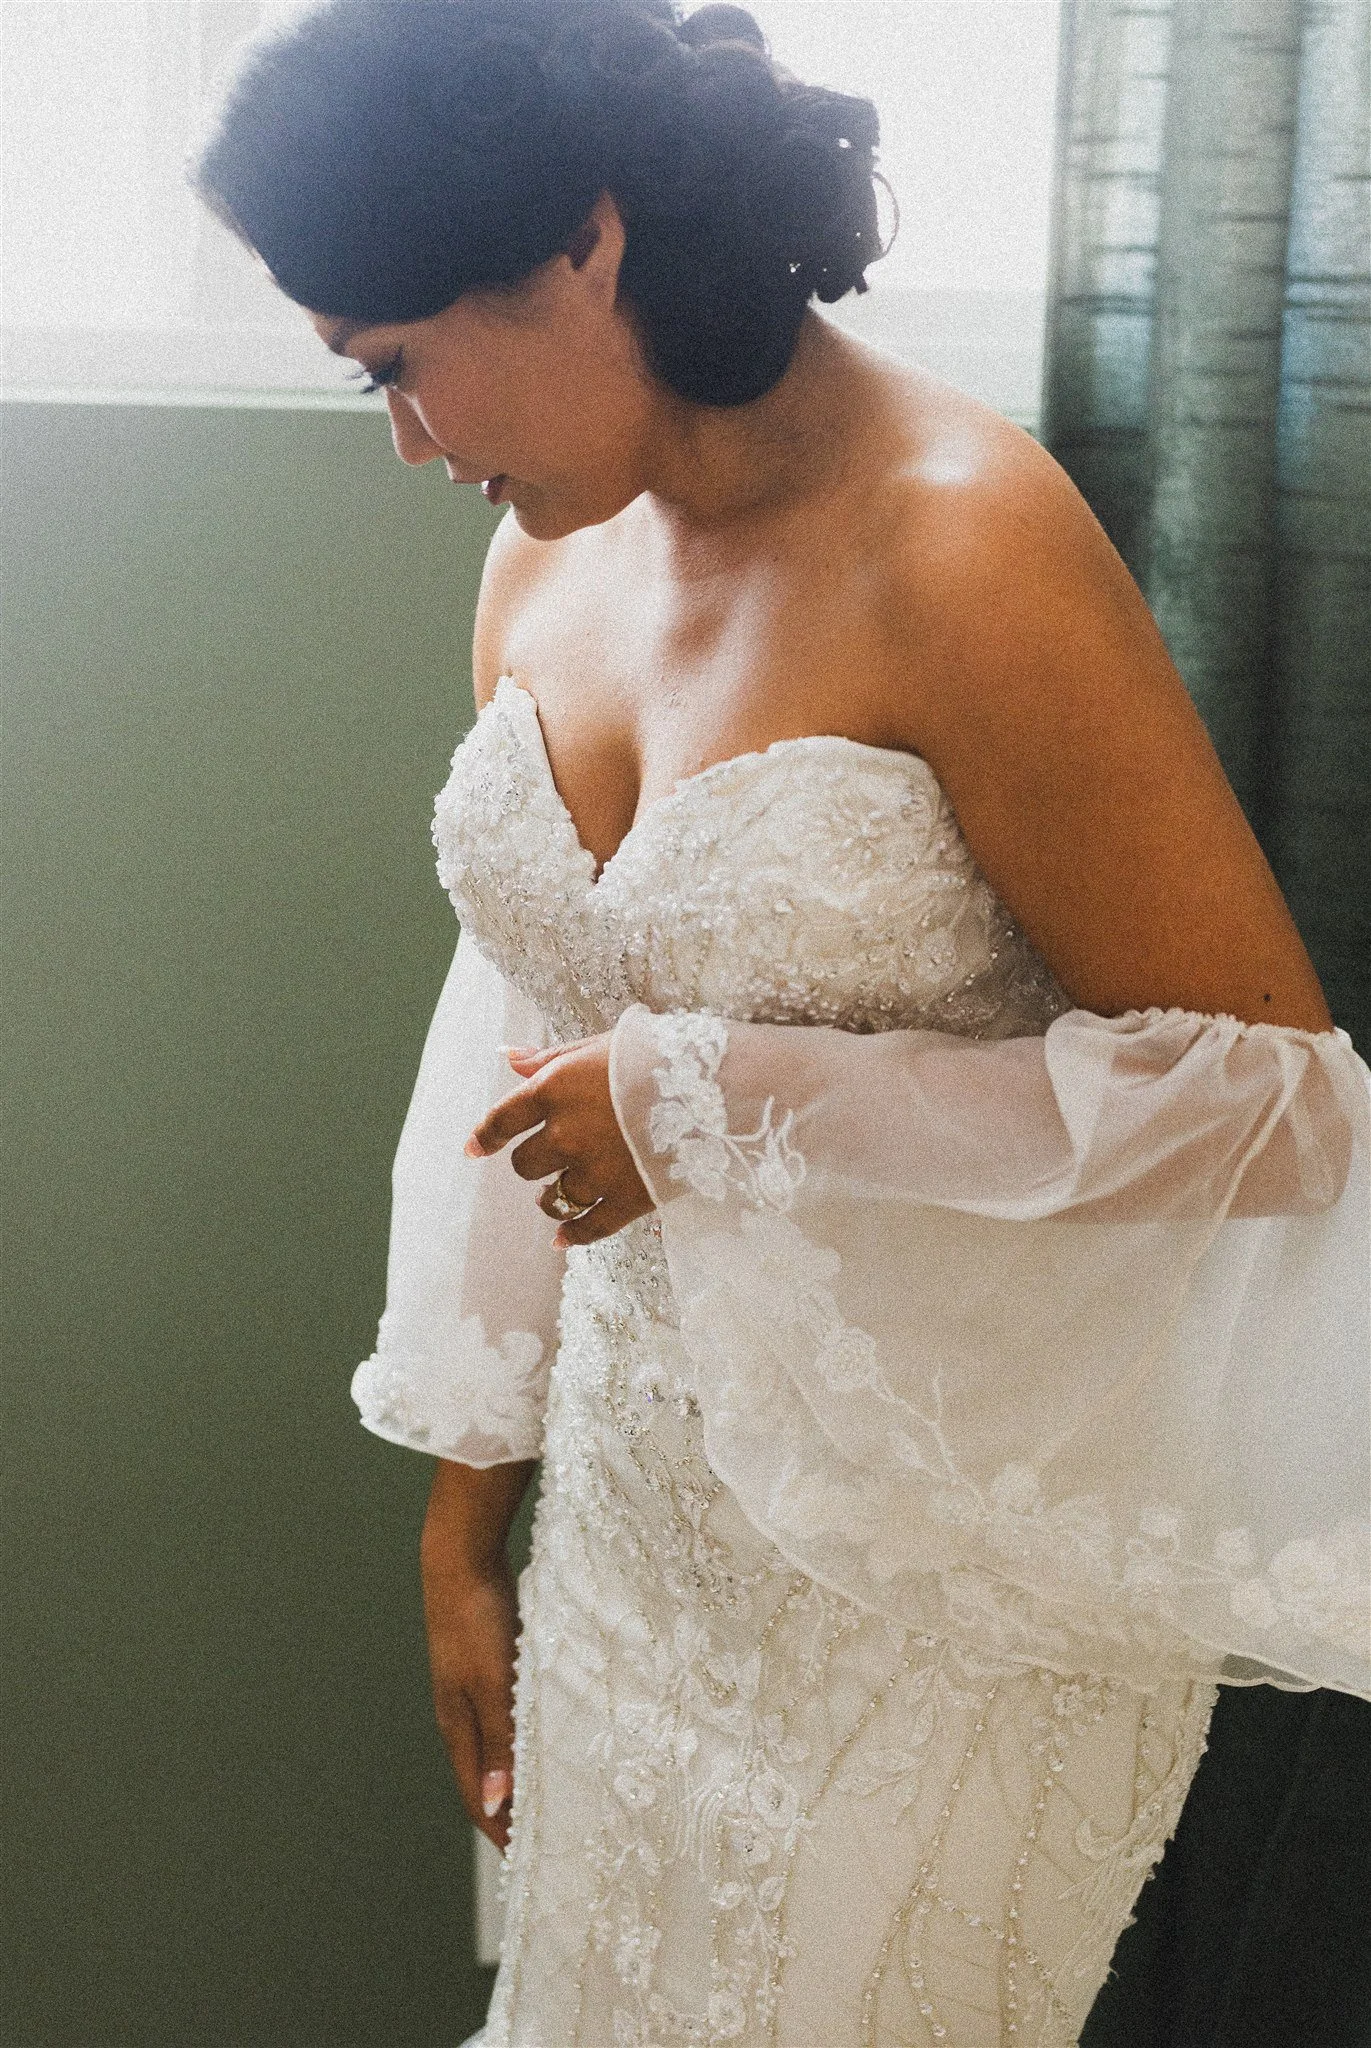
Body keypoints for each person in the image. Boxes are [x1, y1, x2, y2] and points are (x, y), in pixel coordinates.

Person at [194, 3, 1371, 2041]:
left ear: (583, 242)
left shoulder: (962, 541)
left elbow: (1273, 1114)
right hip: (637, 1531)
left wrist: (724, 1098)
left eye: (394, 363)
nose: (406, 442)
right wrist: (469, 1514)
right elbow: (533, 1022)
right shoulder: (542, 562)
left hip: (943, 1588)